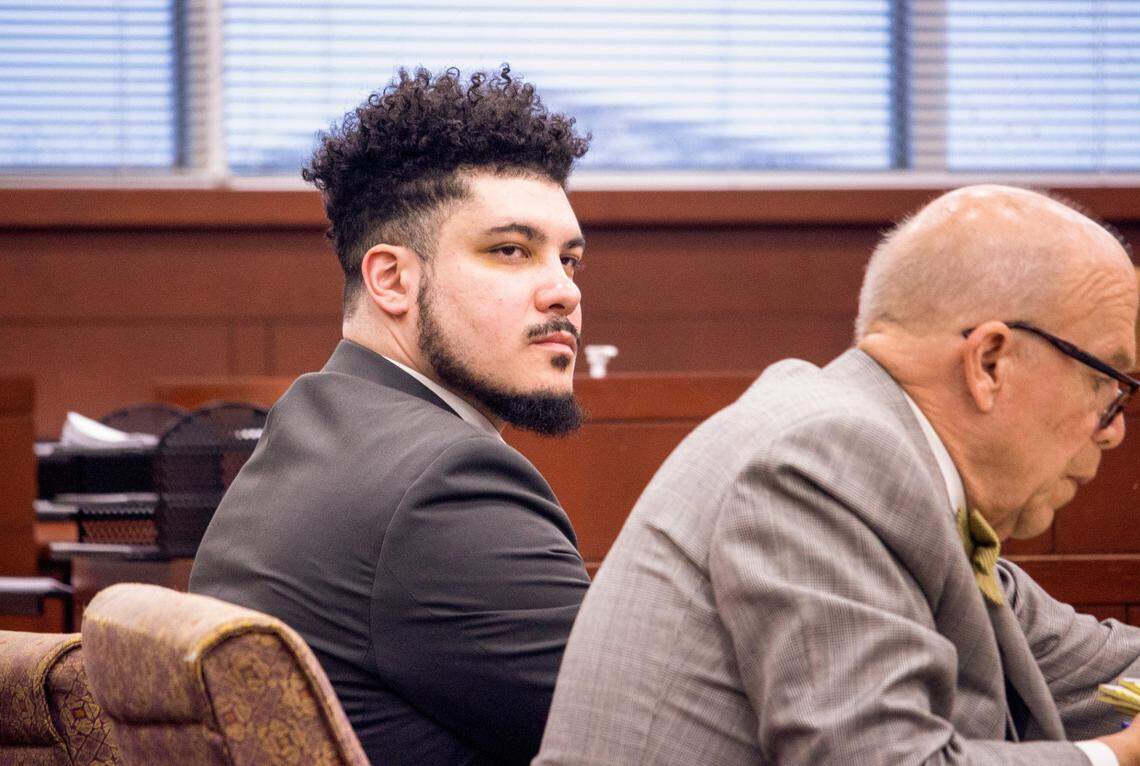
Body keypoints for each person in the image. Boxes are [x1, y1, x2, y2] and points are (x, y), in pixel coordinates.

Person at [535, 185, 1140, 765]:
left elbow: (1097, 666)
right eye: (1106, 385)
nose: (1113, 428)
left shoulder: (888, 465)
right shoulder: (830, 458)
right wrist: (1118, 755)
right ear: (989, 362)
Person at [190, 66, 593, 765]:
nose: (562, 291)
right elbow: (650, 729)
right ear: (392, 279)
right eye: (511, 251)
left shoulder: (317, 424)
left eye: (570, 259)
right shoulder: (446, 486)